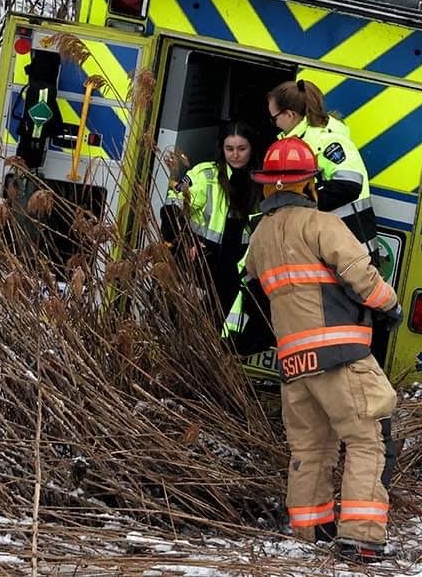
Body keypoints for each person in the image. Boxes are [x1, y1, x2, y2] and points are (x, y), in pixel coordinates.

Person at [245, 136, 402, 562]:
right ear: (310, 183)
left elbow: (260, 292)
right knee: (369, 438)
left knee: (311, 448)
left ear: (267, 186)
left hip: (295, 363)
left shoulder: (259, 238)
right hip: (340, 355)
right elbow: (362, 276)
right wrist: (390, 305)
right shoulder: (322, 225)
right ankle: (361, 536)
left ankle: (310, 528)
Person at [267, 79, 379, 257]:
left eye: (274, 118)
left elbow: (348, 186)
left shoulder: (326, 141)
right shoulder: (300, 141)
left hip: (350, 250)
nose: (275, 124)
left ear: (289, 114)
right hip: (329, 247)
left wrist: (297, 202)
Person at [163, 121, 262, 320]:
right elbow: (170, 208)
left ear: (252, 149)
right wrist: (186, 240)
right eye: (229, 149)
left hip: (239, 262)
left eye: (242, 149)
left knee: (222, 320)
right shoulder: (204, 174)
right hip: (202, 258)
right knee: (186, 319)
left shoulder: (261, 181)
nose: (235, 154)